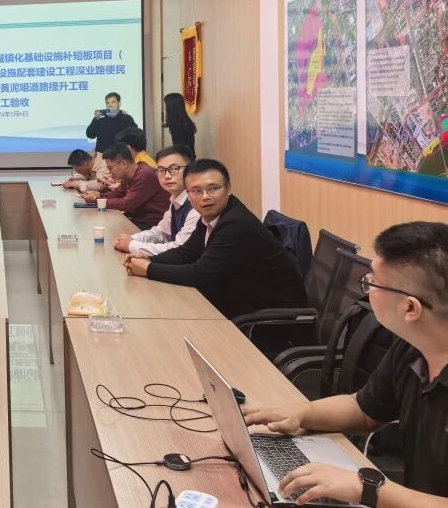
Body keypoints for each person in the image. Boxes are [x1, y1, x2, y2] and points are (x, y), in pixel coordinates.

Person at [243, 222, 448, 507]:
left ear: (410, 308)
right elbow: (364, 410)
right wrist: (301, 413)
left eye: (372, 282)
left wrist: (367, 489)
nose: (366, 289)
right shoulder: (413, 348)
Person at [124, 159, 305, 319]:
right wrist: (149, 259)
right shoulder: (211, 216)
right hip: (240, 299)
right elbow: (187, 253)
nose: (205, 197)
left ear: (228, 188)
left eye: (213, 189)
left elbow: (201, 274)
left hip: (269, 318)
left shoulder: (236, 223)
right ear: (188, 194)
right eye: (196, 191)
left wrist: (149, 269)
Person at [114, 145, 199, 256]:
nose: (167, 176)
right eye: (161, 170)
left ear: (190, 171)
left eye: (174, 169)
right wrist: (132, 238)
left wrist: (132, 245)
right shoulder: (176, 200)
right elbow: (161, 232)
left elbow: (180, 249)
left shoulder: (197, 205)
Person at [81, 144, 170, 231]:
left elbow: (127, 204)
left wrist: (97, 200)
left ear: (123, 163)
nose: (109, 171)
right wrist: (98, 195)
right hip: (137, 220)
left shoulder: (144, 175)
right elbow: (117, 193)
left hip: (151, 226)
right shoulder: (130, 174)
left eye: (110, 168)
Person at [164, 92, 197, 157]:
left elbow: (180, 149)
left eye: (166, 106)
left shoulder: (177, 124)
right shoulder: (185, 121)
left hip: (184, 159)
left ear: (172, 107)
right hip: (188, 158)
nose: (166, 109)